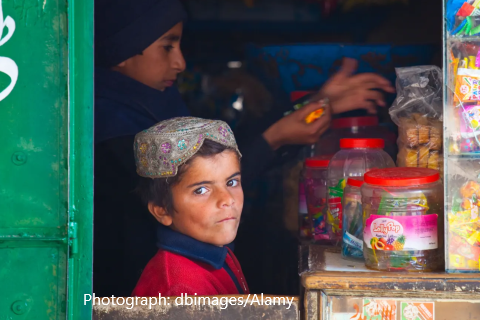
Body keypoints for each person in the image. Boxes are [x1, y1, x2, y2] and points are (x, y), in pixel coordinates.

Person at [94, 0, 394, 296]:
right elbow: (198, 168)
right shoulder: (106, 128)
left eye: (233, 182)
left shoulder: (156, 103)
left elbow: (215, 149)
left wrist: (316, 104)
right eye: (167, 46)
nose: (181, 63)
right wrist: (276, 136)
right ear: (123, 50)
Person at [131, 117, 250, 296]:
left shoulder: (217, 251)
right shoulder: (181, 291)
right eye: (201, 190)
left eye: (232, 182)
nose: (227, 199)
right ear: (162, 210)